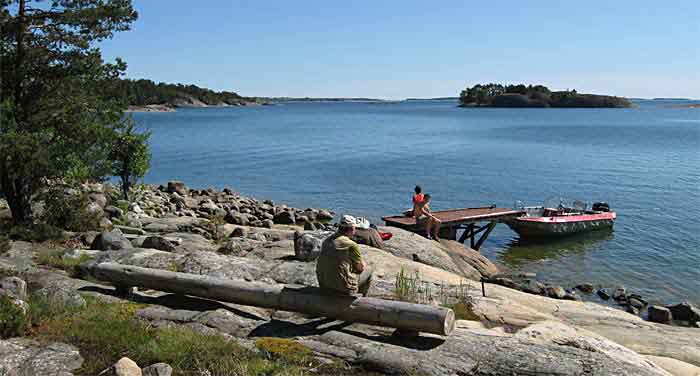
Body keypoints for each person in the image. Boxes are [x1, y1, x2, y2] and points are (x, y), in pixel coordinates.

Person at [316, 215, 373, 296]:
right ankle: (360, 298)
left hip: (323, 284)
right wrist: (363, 264)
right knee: (369, 270)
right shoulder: (351, 244)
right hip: (343, 287)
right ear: (352, 229)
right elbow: (360, 268)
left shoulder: (326, 241)